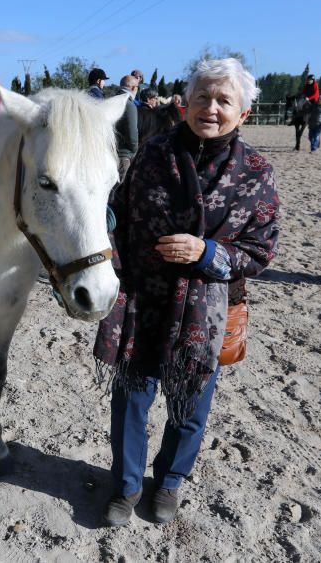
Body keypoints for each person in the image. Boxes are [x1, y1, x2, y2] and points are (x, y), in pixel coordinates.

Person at [94, 57, 280, 527]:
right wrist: (110, 264)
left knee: (189, 405)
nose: (211, 108)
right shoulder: (152, 155)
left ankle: (171, 482)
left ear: (244, 114)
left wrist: (207, 252)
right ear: (184, 104)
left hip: (205, 312)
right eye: (202, 97)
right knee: (132, 401)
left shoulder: (256, 172)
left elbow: (260, 250)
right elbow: (115, 213)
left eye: (224, 100)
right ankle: (127, 485)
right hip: (142, 299)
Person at [113, 75, 141, 178]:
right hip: (124, 155)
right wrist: (135, 150)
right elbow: (132, 132)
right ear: (134, 88)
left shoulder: (111, 100)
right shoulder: (129, 105)